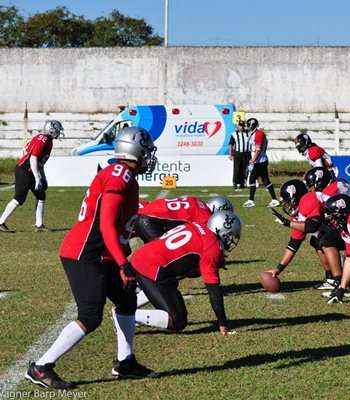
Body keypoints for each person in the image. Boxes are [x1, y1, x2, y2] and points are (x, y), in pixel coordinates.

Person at [25, 127, 158, 390]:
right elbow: (106, 226)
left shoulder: (125, 175)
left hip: (101, 252)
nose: (149, 157)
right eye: (146, 151)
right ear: (135, 150)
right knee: (90, 315)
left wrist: (121, 259)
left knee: (126, 297)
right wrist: (123, 262)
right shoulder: (120, 176)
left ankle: (125, 362)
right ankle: (41, 367)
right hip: (85, 252)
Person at [132, 212, 242, 334]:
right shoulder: (211, 247)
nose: (232, 239)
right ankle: (125, 314)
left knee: (171, 293)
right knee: (177, 320)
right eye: (231, 235)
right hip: (151, 267)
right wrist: (223, 322)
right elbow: (213, 291)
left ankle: (126, 309)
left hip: (146, 257)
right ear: (221, 230)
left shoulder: (199, 225)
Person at [268, 179, 347, 291]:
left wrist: (287, 223)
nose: (288, 205)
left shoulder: (308, 199)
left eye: (288, 201)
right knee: (316, 240)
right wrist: (278, 269)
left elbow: (312, 226)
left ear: (295, 196)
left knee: (325, 238)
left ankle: (339, 281)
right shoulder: (300, 212)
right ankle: (331, 278)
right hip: (342, 229)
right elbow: (293, 245)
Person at [0, 120, 64, 233]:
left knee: (41, 195)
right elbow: (33, 158)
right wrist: (38, 177)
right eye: (58, 130)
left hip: (31, 170)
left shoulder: (47, 140)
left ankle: (39, 225)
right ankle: (1, 222)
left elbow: (39, 161)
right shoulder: (43, 140)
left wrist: (42, 177)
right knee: (19, 198)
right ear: (52, 130)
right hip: (24, 170)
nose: (59, 132)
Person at [136, 195, 234, 243]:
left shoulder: (196, 200)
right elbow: (207, 240)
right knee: (161, 254)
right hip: (150, 219)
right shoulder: (205, 215)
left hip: (149, 213)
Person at [243, 118, 279, 208]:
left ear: (252, 125)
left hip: (259, 161)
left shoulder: (258, 134)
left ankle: (251, 200)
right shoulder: (255, 133)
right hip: (261, 160)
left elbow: (258, 149)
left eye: (249, 125)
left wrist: (253, 160)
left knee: (252, 179)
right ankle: (274, 200)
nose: (247, 127)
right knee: (265, 180)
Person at [229, 120, 250, 190]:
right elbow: (231, 144)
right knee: (237, 169)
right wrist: (230, 154)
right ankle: (235, 183)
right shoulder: (234, 134)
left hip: (246, 154)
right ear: (238, 126)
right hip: (238, 153)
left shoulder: (248, 133)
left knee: (245, 169)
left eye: (243, 126)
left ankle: (242, 183)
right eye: (240, 126)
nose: (241, 127)